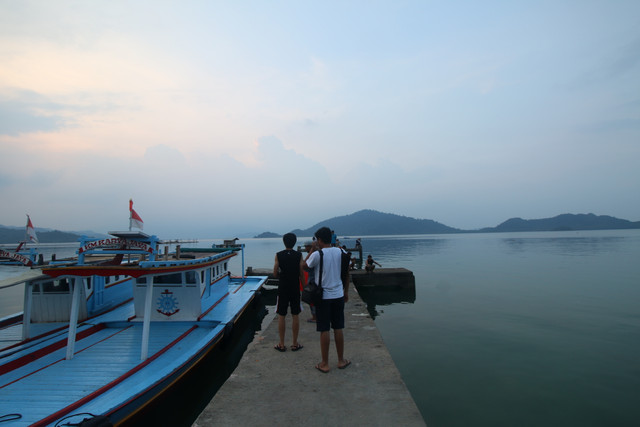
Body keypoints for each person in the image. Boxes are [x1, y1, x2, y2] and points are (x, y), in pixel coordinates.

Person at [304, 226, 351, 373]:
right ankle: (341, 360)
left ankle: (324, 363)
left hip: (323, 297)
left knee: (324, 329)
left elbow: (304, 266)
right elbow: (347, 272)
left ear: (318, 240)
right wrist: (346, 291)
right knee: (338, 327)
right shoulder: (341, 251)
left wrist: (312, 249)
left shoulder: (318, 254)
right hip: (338, 295)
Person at [273, 233, 305, 352]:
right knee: (295, 314)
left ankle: (281, 344)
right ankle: (295, 343)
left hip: (283, 288)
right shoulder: (299, 255)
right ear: (295, 242)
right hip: (295, 288)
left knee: (282, 315)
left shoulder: (278, 255)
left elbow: (275, 273)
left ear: (284, 242)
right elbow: (301, 274)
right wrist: (305, 287)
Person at [303, 240, 317, 323]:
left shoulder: (313, 255)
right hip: (316, 280)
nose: (305, 248)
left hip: (313, 281)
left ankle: (315, 317)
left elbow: (303, 265)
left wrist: (311, 251)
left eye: (306, 246)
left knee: (312, 300)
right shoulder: (318, 254)